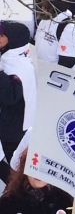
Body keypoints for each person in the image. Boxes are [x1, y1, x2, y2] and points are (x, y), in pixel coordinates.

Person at [0, 21, 36, 162]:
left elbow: (10, 96)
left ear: (14, 39)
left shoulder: (21, 65)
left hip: (14, 129)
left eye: (2, 35)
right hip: (8, 124)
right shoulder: (7, 58)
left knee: (12, 167)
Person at [0, 149, 74, 213]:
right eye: (35, 164)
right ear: (25, 166)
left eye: (46, 167)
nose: (38, 173)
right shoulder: (8, 202)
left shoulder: (64, 200)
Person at [34, 0, 75, 69]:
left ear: (55, 6)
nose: (42, 7)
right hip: (40, 73)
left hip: (54, 78)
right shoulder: (45, 20)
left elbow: (67, 63)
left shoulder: (68, 28)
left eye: (45, 4)